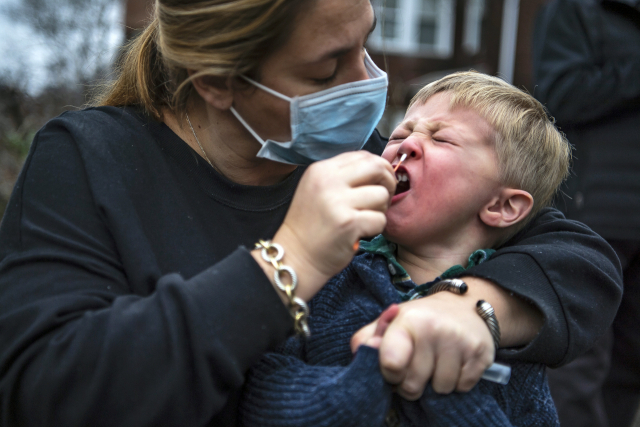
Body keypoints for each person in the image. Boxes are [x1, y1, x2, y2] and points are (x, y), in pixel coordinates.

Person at [0, 0, 621, 426]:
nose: (366, 81)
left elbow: (577, 257)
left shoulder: (358, 152)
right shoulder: (90, 159)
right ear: (218, 82)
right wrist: (286, 262)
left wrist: (467, 307)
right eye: (328, 67)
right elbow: (49, 393)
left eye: (366, 43)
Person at [239, 71, 568, 427]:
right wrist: (372, 371)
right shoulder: (332, 276)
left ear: (501, 207)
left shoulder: (502, 326)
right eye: (400, 133)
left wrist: (439, 382)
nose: (406, 144)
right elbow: (263, 391)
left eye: (442, 139)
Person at [533, 1, 640, 426]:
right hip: (594, 214)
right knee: (580, 359)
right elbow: (558, 93)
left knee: (630, 361)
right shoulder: (574, 8)